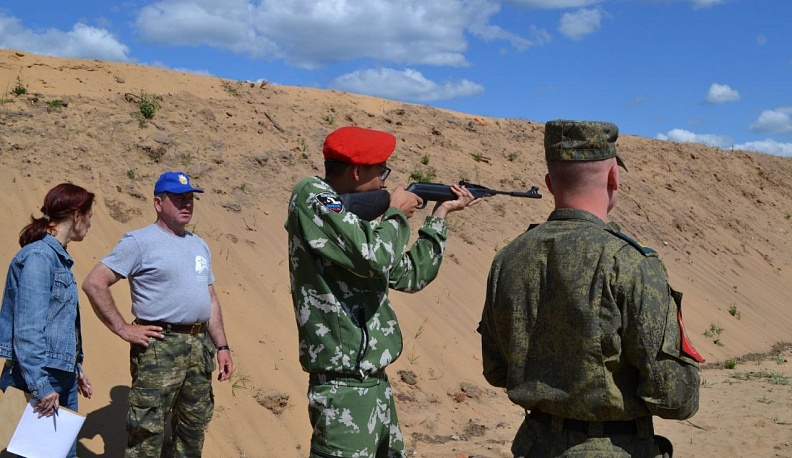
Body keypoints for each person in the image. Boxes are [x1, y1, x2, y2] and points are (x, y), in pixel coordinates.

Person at [478, 120, 703, 457]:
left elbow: (497, 370)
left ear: (550, 183)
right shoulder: (630, 264)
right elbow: (673, 396)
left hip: (534, 445)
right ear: (614, 178)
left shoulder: (509, 258)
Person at [285, 125, 480, 458]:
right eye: (382, 172)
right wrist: (394, 214)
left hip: (374, 384)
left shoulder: (354, 224)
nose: (387, 182)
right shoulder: (313, 196)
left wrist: (439, 217)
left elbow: (410, 276)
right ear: (357, 171)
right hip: (342, 385)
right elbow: (373, 258)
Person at [82, 171, 233, 458]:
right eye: (178, 198)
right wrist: (123, 328)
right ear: (158, 203)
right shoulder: (139, 242)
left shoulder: (199, 244)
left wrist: (222, 346)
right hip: (159, 346)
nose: (186, 204)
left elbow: (209, 298)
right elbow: (94, 282)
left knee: (193, 426)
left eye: (190, 198)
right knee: (147, 432)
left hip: (199, 347)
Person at [0, 183, 96, 458]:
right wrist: (41, 386)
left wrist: (73, 366)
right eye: (89, 215)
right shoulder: (40, 258)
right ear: (77, 214)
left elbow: (57, 325)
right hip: (39, 380)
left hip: (58, 377)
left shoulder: (56, 259)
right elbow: (28, 330)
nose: (90, 223)